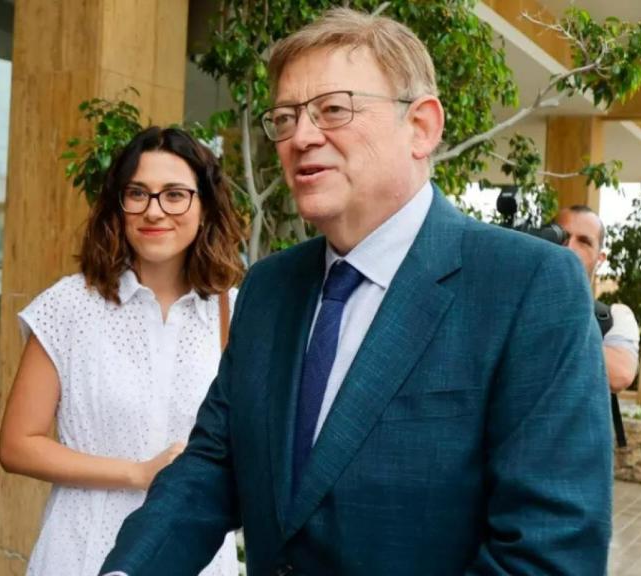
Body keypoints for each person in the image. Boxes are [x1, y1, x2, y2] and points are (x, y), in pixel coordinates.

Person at [102, 9, 611, 576]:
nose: (301, 137)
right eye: (286, 117)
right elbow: (214, 466)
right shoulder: (269, 288)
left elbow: (548, 549)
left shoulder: (528, 287)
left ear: (421, 126)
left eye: (332, 109)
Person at [0, 126, 245, 576]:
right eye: (138, 193)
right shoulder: (70, 304)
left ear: (205, 206)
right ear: (118, 204)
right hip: (82, 551)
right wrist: (138, 473)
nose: (154, 210)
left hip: (195, 556)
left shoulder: (237, 311)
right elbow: (18, 445)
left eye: (175, 195)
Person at [555, 205, 640, 392]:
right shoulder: (518, 304)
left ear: (600, 259)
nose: (569, 247)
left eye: (584, 242)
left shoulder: (615, 317)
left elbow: (619, 374)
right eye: (562, 236)